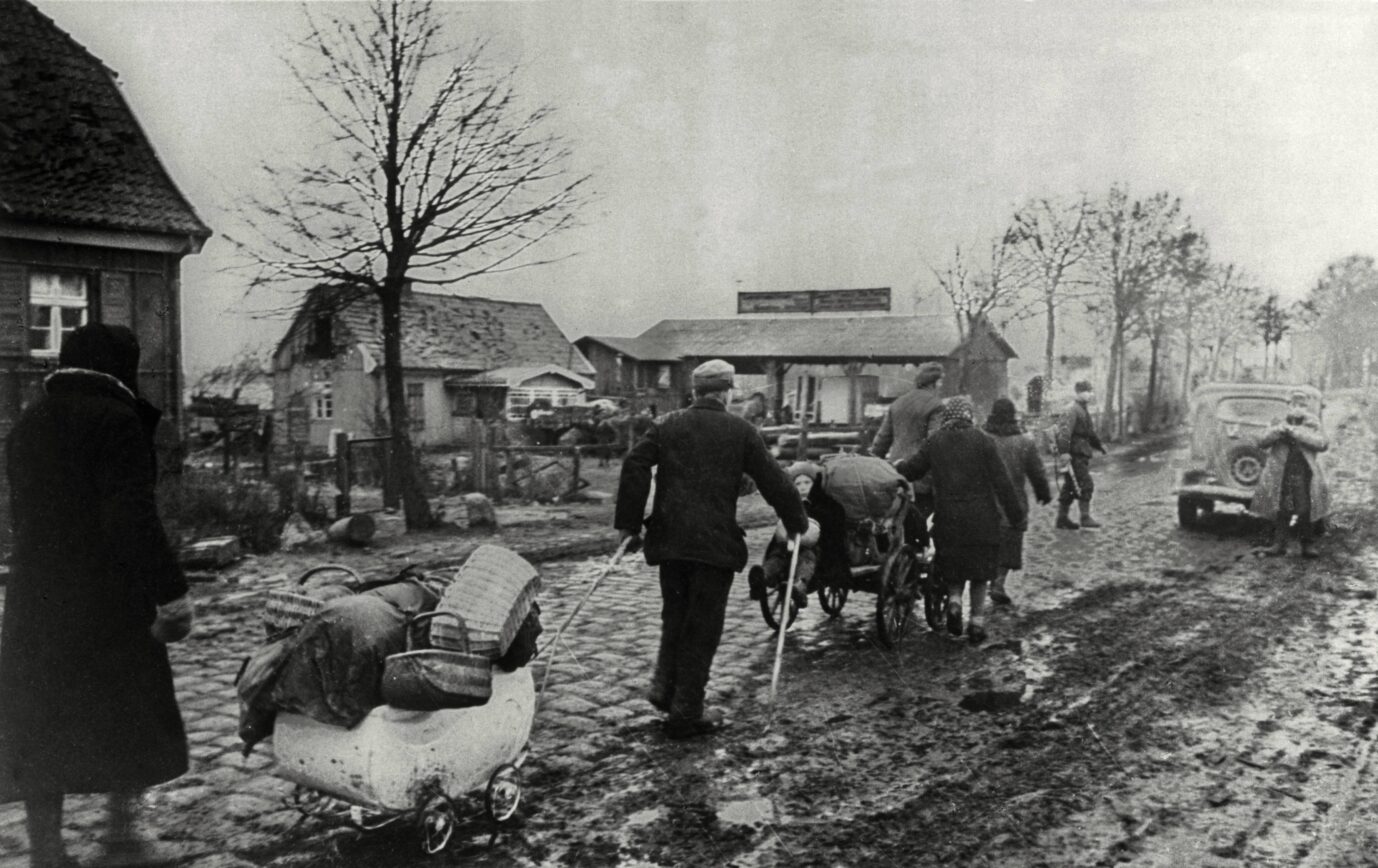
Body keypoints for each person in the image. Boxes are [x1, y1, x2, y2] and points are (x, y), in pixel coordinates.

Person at [0, 324, 195, 868]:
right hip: (107, 599)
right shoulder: (117, 420)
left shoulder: (29, 424)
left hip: (36, 597)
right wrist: (171, 592)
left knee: (41, 719)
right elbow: (130, 516)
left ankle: (46, 851)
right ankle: (122, 836)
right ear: (120, 369)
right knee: (126, 709)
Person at [616, 359, 808, 739]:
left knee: (675, 616)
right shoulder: (741, 431)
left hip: (669, 542)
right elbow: (775, 480)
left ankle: (664, 688)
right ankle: (687, 711)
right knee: (702, 627)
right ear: (726, 392)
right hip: (712, 545)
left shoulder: (667, 425)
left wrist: (629, 525)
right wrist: (797, 520)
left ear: (694, 392)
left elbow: (634, 463)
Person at [896, 395, 1024, 645]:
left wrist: (897, 467)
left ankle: (954, 601)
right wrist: (1016, 514)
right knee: (980, 573)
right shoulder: (984, 441)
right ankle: (976, 622)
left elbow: (913, 470)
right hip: (982, 518)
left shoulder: (935, 441)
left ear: (947, 416)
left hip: (948, 518)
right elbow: (1002, 482)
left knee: (953, 568)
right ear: (969, 415)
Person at [748, 461, 850, 611]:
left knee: (807, 557)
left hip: (813, 547)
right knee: (777, 555)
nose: (802, 487)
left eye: (807, 482)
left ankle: (800, 585)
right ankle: (763, 577)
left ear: (814, 484)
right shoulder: (790, 503)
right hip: (788, 544)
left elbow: (832, 528)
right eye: (798, 483)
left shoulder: (824, 503)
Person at [983, 398, 1052, 605]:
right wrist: (1043, 492)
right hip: (1013, 502)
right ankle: (998, 582)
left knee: (987, 540)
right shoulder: (1024, 442)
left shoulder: (983, 438)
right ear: (1014, 417)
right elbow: (1037, 472)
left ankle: (986, 580)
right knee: (1010, 541)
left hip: (985, 501)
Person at [871, 361, 946, 545]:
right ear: (934, 382)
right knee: (922, 525)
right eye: (941, 381)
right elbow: (934, 443)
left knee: (900, 523)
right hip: (923, 478)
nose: (942, 386)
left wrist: (873, 467)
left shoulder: (898, 403)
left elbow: (881, 442)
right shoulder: (936, 406)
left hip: (896, 476)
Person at [1252, 390, 1330, 558]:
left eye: (1302, 405)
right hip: (1280, 471)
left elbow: (1322, 443)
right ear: (1288, 405)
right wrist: (1278, 431)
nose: (1297, 408)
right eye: (1294, 404)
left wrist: (1299, 433)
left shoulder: (1312, 423)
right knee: (1282, 507)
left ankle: (1307, 544)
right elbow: (1261, 441)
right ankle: (1278, 544)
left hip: (1304, 471)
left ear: (1306, 408)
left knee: (1304, 507)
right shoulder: (1277, 421)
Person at [1055, 380, 1108, 530]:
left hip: (1080, 453)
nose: (1091, 394)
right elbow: (1064, 433)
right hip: (1074, 455)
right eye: (1088, 391)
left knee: (1070, 487)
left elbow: (1089, 433)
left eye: (1091, 391)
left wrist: (1099, 445)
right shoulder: (1072, 410)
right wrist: (1064, 452)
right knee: (1086, 484)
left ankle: (1062, 519)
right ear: (1079, 392)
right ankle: (1085, 518)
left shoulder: (1082, 409)